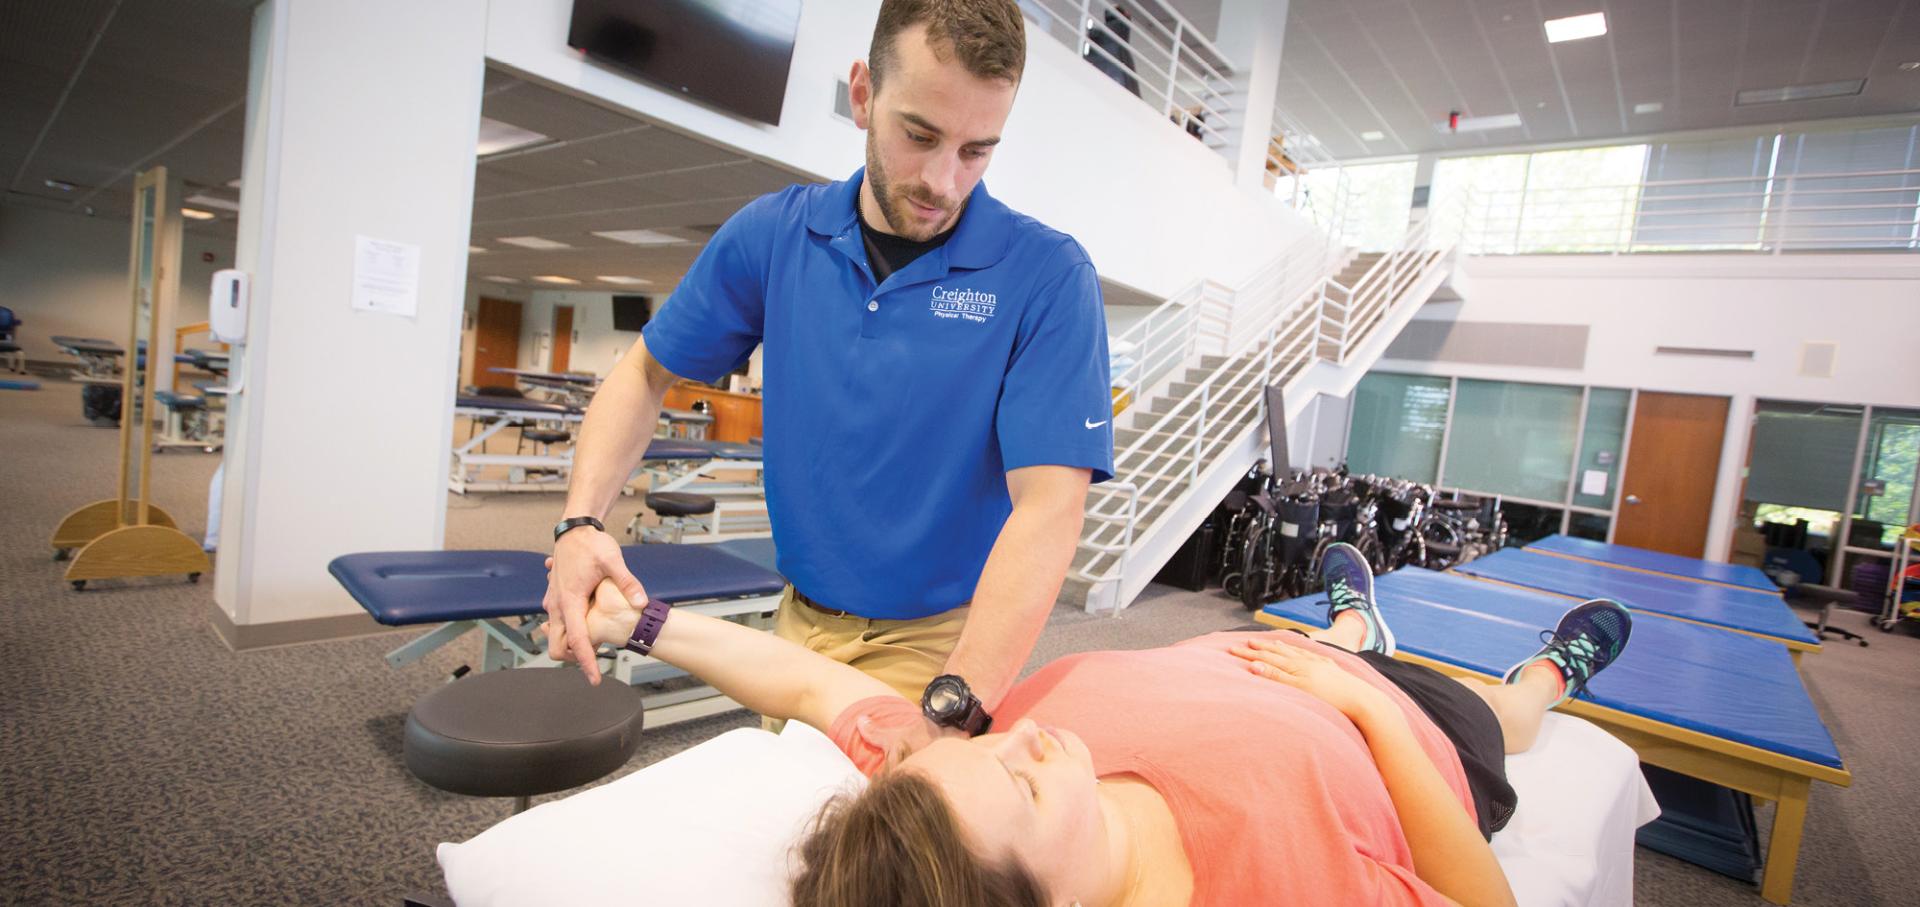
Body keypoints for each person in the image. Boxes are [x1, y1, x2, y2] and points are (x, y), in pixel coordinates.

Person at [542, 0, 1114, 736]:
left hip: (938, 639)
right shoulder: (776, 234)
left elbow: (1050, 508)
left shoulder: (1046, 275)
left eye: (977, 150)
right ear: (863, 95)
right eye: (920, 135)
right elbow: (643, 373)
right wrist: (580, 523)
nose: (944, 179)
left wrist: (958, 699)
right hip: (797, 623)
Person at [555, 543, 1635, 906]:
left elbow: (804, 686)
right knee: (1504, 714)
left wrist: (639, 617)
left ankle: (1353, 617)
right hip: (1410, 728)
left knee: (1345, 640)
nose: (1025, 739)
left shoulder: (950, 802)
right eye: (1027, 782)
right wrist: (1367, 712)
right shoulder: (1272, 879)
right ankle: (1551, 669)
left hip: (1275, 663)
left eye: (987, 750)